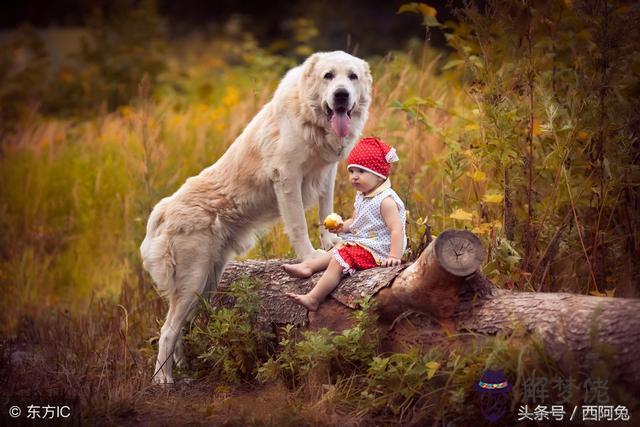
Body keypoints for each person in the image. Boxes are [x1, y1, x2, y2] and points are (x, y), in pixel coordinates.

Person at [283, 137, 407, 311]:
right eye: (351, 171)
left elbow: (396, 230)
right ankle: (308, 266)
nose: (354, 177)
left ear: (379, 175)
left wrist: (394, 256)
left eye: (361, 172)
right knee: (339, 247)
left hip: (380, 249)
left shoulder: (385, 201)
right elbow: (356, 221)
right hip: (365, 241)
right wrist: (342, 227)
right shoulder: (363, 195)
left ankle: (313, 298)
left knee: (338, 260)